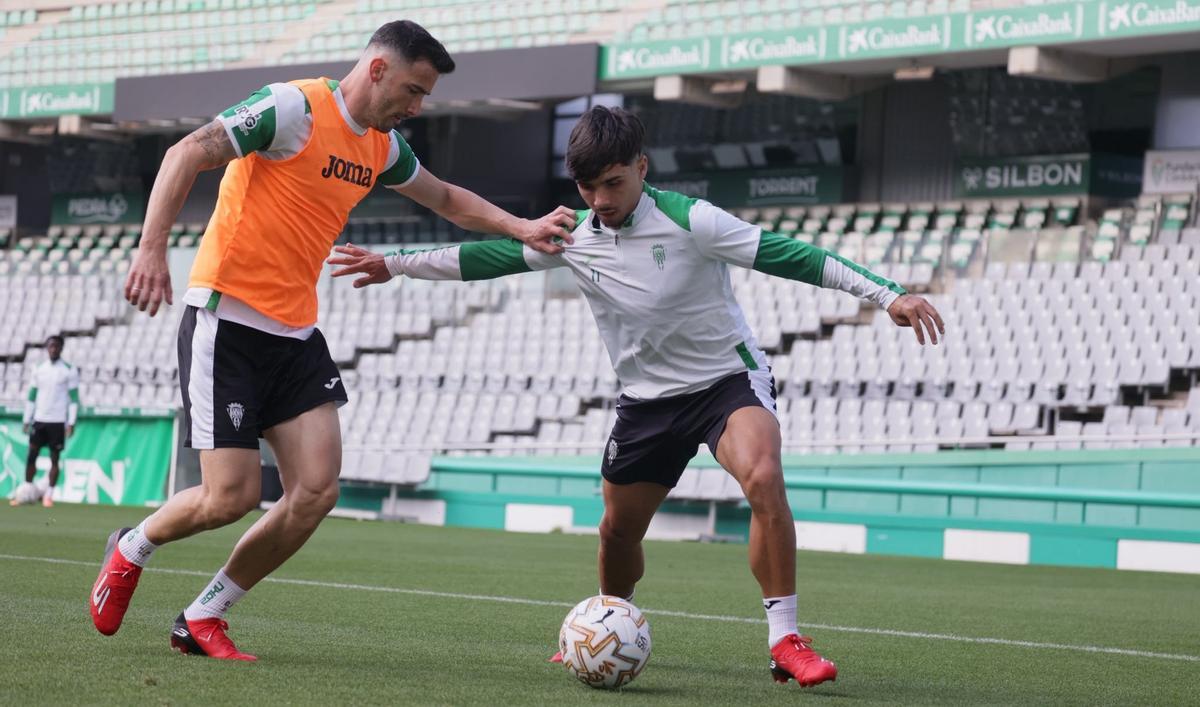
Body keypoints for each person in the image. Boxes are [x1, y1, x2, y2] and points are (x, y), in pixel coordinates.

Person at [329, 106, 945, 687]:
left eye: (613, 183)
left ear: (641, 168)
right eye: (587, 187)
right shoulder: (572, 236)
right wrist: (396, 264)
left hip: (725, 383)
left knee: (763, 477)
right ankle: (606, 625)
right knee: (618, 533)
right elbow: (485, 258)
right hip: (647, 401)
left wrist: (887, 294)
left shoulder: (692, 220)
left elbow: (794, 256)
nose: (600, 199)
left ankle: (785, 639)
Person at [91, 20, 575, 661]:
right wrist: (152, 249)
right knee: (230, 497)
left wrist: (523, 226)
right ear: (377, 69)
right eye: (413, 90)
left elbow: (446, 198)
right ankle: (132, 548)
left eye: (425, 96)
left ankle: (203, 615)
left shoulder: (382, 146)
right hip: (227, 321)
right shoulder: (290, 107)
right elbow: (186, 153)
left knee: (316, 491)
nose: (417, 107)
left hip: (294, 333)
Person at [12, 335, 79, 508]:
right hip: (39, 419)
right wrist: (26, 419)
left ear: (61, 348)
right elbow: (32, 395)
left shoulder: (69, 370)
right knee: (31, 456)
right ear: (47, 348)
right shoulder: (39, 368)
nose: (53, 349)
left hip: (57, 421)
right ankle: (26, 491)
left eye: (56, 346)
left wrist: (71, 422)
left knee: (54, 459)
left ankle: (48, 495)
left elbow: (74, 398)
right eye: (51, 346)